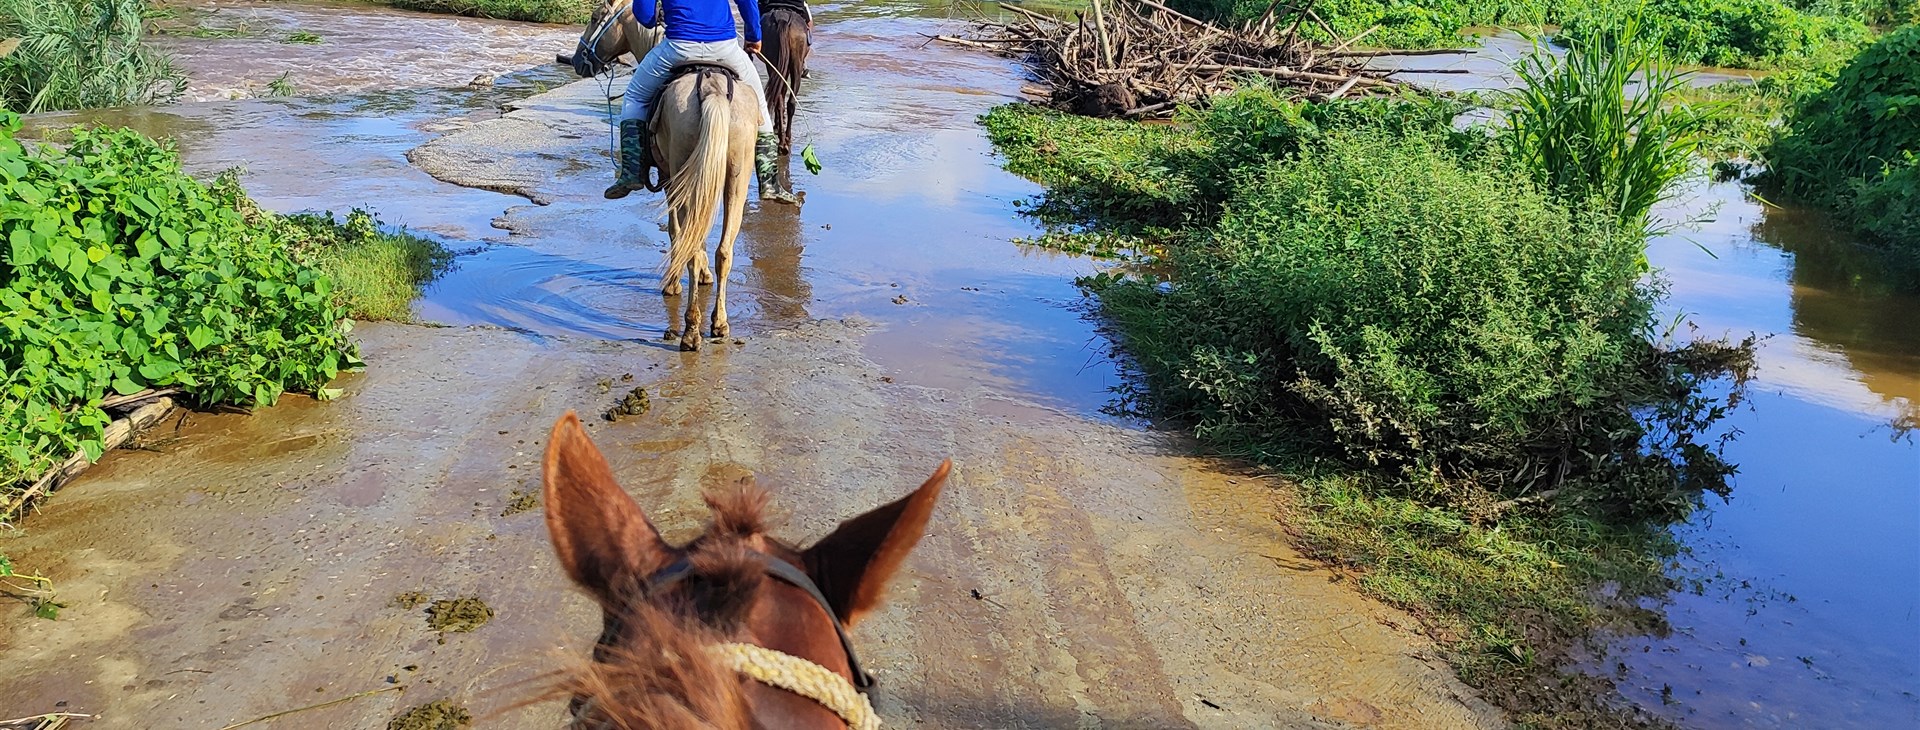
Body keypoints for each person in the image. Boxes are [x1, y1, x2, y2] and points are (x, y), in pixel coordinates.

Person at [607, 0, 798, 205]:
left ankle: (632, 172)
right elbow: (748, 3)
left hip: (678, 47)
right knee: (760, 104)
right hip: (725, 48)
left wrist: (659, 18)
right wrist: (753, 36)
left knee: (635, 96)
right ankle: (769, 182)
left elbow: (643, 14)